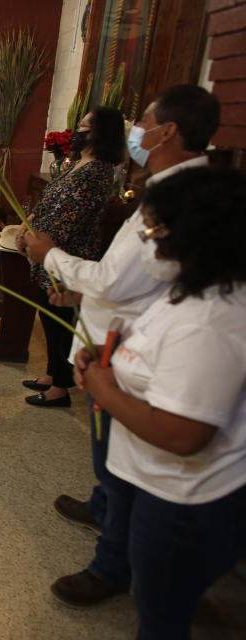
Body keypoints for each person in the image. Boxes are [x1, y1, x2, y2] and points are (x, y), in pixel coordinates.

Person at [73, 165, 246, 639]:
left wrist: (105, 389)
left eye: (153, 228)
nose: (147, 240)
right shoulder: (193, 289)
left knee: (161, 618)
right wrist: (114, 347)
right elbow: (157, 342)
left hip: (183, 500)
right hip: (152, 481)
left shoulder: (211, 321)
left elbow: (182, 433)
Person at [17, 107, 123, 409]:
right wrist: (29, 223)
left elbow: (70, 214)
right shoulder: (79, 162)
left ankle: (60, 388)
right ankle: (53, 373)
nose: (78, 130)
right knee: (48, 315)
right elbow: (51, 198)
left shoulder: (97, 170)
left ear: (101, 132)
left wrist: (39, 238)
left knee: (59, 319)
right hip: (47, 248)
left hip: (66, 252)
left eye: (85, 126)